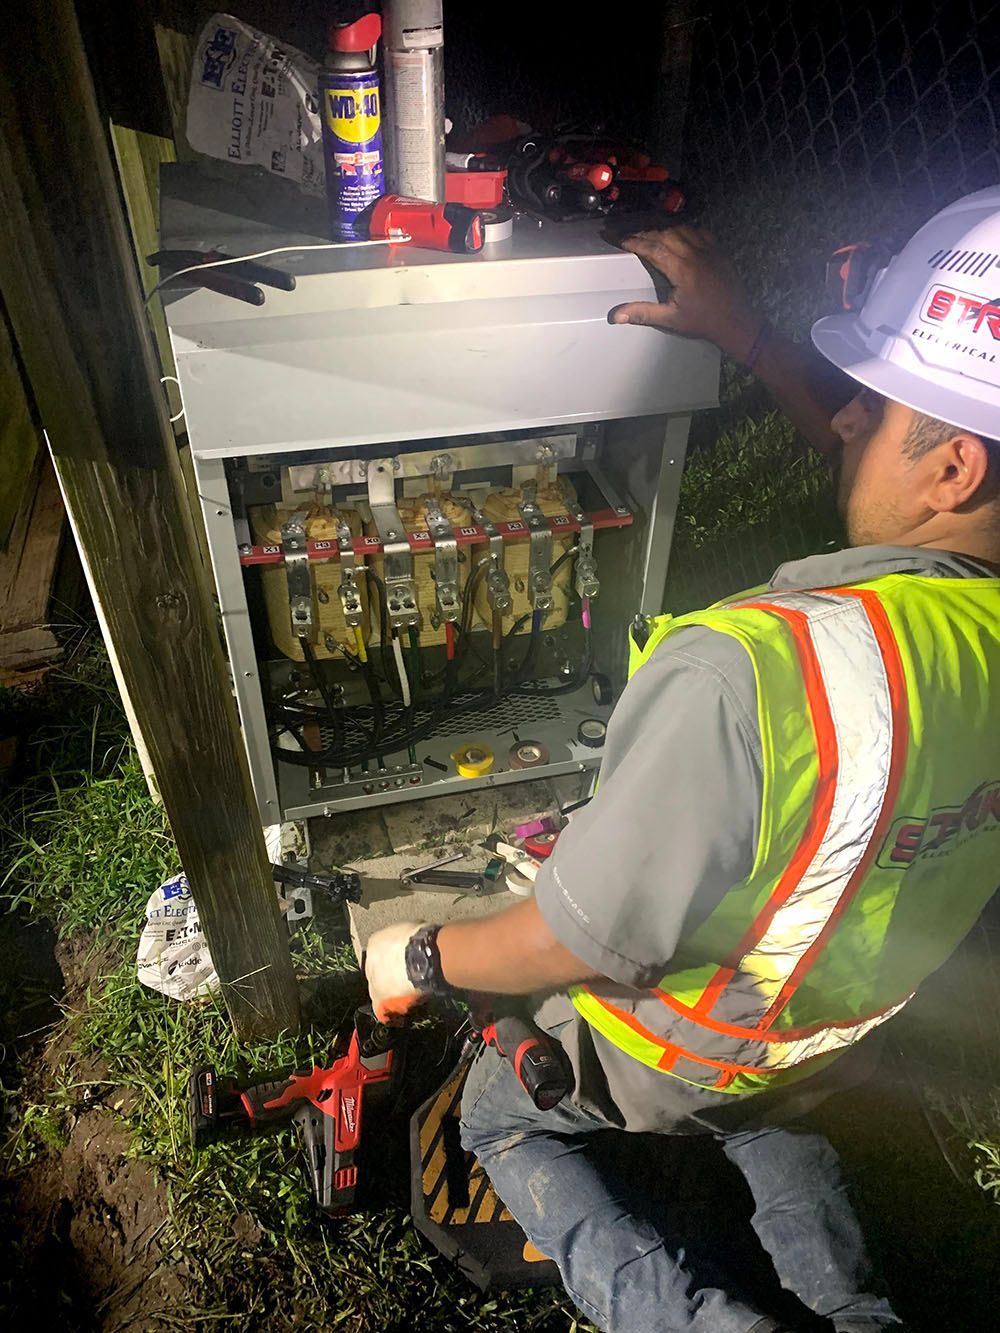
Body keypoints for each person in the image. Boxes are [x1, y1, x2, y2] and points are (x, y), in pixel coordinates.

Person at [364, 186, 1000, 1332]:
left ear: (952, 467)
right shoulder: (967, 622)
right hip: (838, 1025)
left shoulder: (752, 675)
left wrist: (416, 953)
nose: (840, 421)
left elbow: (575, 935)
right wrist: (748, 338)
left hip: (676, 1043)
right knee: (776, 1108)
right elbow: (906, 490)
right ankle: (858, 1313)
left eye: (867, 402)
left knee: (496, 1120)